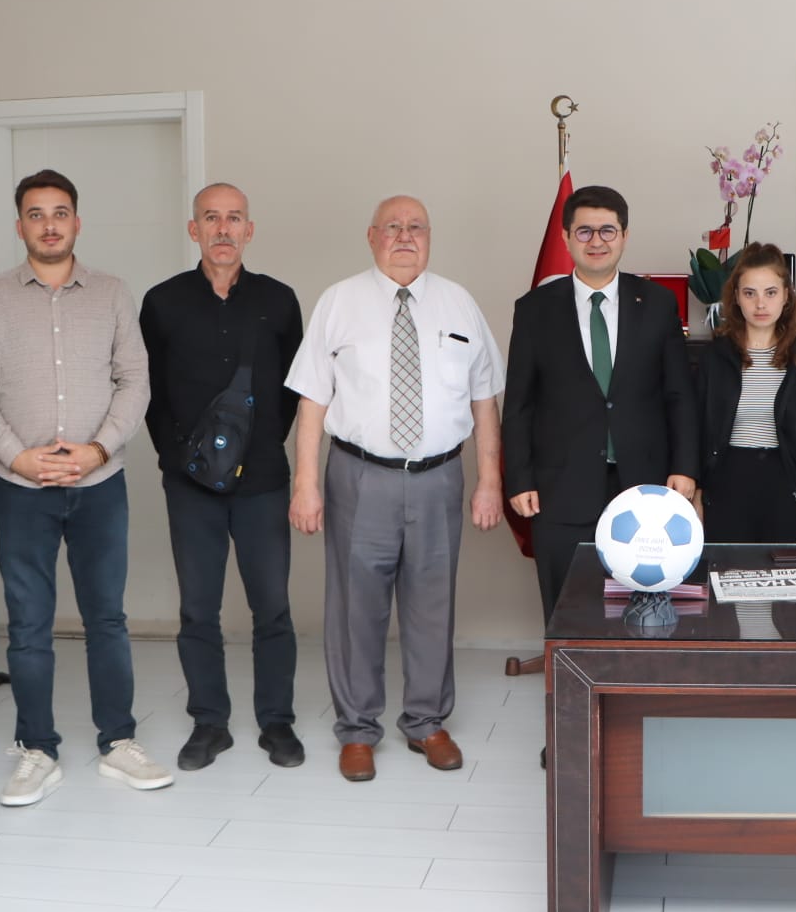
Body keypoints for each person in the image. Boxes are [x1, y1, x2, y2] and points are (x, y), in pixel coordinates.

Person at [0, 168, 171, 807]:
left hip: (99, 483)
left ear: (77, 222)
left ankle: (119, 741)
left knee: (107, 617)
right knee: (28, 624)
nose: (49, 225)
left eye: (59, 213)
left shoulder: (112, 293)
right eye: (36, 214)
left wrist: (98, 448)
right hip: (20, 488)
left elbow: (135, 379)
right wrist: (18, 457)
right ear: (19, 225)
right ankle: (36, 750)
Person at [285, 195, 504, 782]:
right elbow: (312, 401)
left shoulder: (459, 303)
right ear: (371, 236)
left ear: (429, 237)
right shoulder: (338, 302)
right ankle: (357, 729)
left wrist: (490, 481)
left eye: (416, 227)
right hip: (359, 477)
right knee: (355, 608)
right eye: (392, 227)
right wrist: (305, 483)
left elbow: (485, 401)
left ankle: (426, 722)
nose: (405, 236)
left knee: (432, 605)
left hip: (440, 478)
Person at [139, 183, 305, 771]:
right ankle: (209, 724)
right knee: (197, 610)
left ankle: (277, 723)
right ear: (194, 230)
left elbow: (296, 389)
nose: (223, 229)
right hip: (190, 487)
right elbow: (146, 390)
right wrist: (177, 457)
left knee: (273, 608)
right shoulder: (162, 302)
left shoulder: (279, 301)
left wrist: (263, 446)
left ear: (249, 230)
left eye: (234, 218)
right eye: (211, 218)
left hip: (262, 481)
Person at [504, 185, 699, 620]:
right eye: (585, 231)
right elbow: (519, 403)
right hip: (560, 488)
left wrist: (685, 467)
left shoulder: (657, 303)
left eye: (607, 230)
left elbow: (679, 394)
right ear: (566, 238)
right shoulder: (534, 309)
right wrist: (518, 478)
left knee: (643, 613)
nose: (597, 241)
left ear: (624, 236)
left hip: (644, 488)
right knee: (567, 610)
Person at [695, 242, 796, 543]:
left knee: (783, 568)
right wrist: (697, 496)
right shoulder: (716, 356)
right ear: (736, 298)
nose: (760, 304)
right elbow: (699, 430)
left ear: (786, 296)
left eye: (770, 292)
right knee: (727, 567)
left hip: (785, 484)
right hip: (726, 483)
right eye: (749, 293)